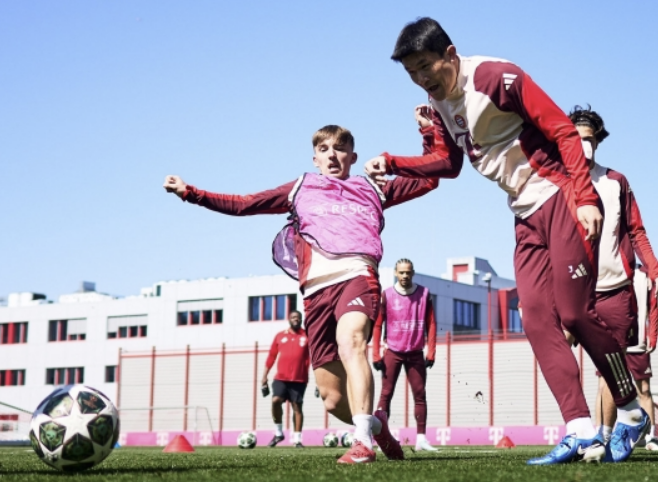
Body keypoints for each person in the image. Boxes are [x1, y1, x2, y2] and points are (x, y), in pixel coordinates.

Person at [364, 17, 648, 464]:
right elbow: (448, 164)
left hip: (560, 196)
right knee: (534, 316)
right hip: (524, 214)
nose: (421, 79)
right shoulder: (439, 104)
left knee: (574, 312)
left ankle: (631, 409)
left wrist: (585, 197)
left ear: (450, 55)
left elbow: (563, 130)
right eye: (411, 73)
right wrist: (393, 161)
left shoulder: (496, 77)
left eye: (425, 67)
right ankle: (579, 428)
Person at [164, 124, 438, 464]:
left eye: (340, 149)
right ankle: (376, 425)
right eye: (324, 150)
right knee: (332, 399)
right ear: (315, 159)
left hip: (358, 275)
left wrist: (428, 133)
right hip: (316, 292)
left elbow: (430, 178)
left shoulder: (372, 187)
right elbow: (244, 204)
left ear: (353, 157)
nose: (332, 155)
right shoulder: (300, 187)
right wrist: (190, 192)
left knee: (351, 341)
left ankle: (363, 442)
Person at [567, 106, 658, 451]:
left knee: (610, 366)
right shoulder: (556, 181)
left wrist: (654, 269)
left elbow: (636, 230)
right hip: (574, 291)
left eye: (589, 139)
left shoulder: (616, 181)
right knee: (563, 358)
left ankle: (602, 439)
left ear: (598, 141)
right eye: (577, 139)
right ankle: (583, 431)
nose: (584, 145)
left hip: (616, 290)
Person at [372, 258, 437, 452]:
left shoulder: (424, 294)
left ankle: (421, 439)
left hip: (416, 352)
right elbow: (377, 325)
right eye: (401, 272)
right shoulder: (387, 295)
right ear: (395, 273)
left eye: (408, 272)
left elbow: (431, 323)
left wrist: (431, 351)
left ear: (413, 273)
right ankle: (381, 438)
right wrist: (375, 354)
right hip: (393, 351)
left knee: (420, 394)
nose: (405, 276)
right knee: (386, 394)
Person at [261, 310, 310, 448]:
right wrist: (264, 377)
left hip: (299, 379)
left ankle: (297, 440)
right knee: (276, 400)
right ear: (289, 319)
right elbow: (271, 356)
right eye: (293, 317)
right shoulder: (280, 336)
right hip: (281, 378)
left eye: (298, 317)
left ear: (301, 320)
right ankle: (278, 433)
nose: (296, 319)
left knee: (297, 407)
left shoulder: (307, 335)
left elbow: (314, 356)